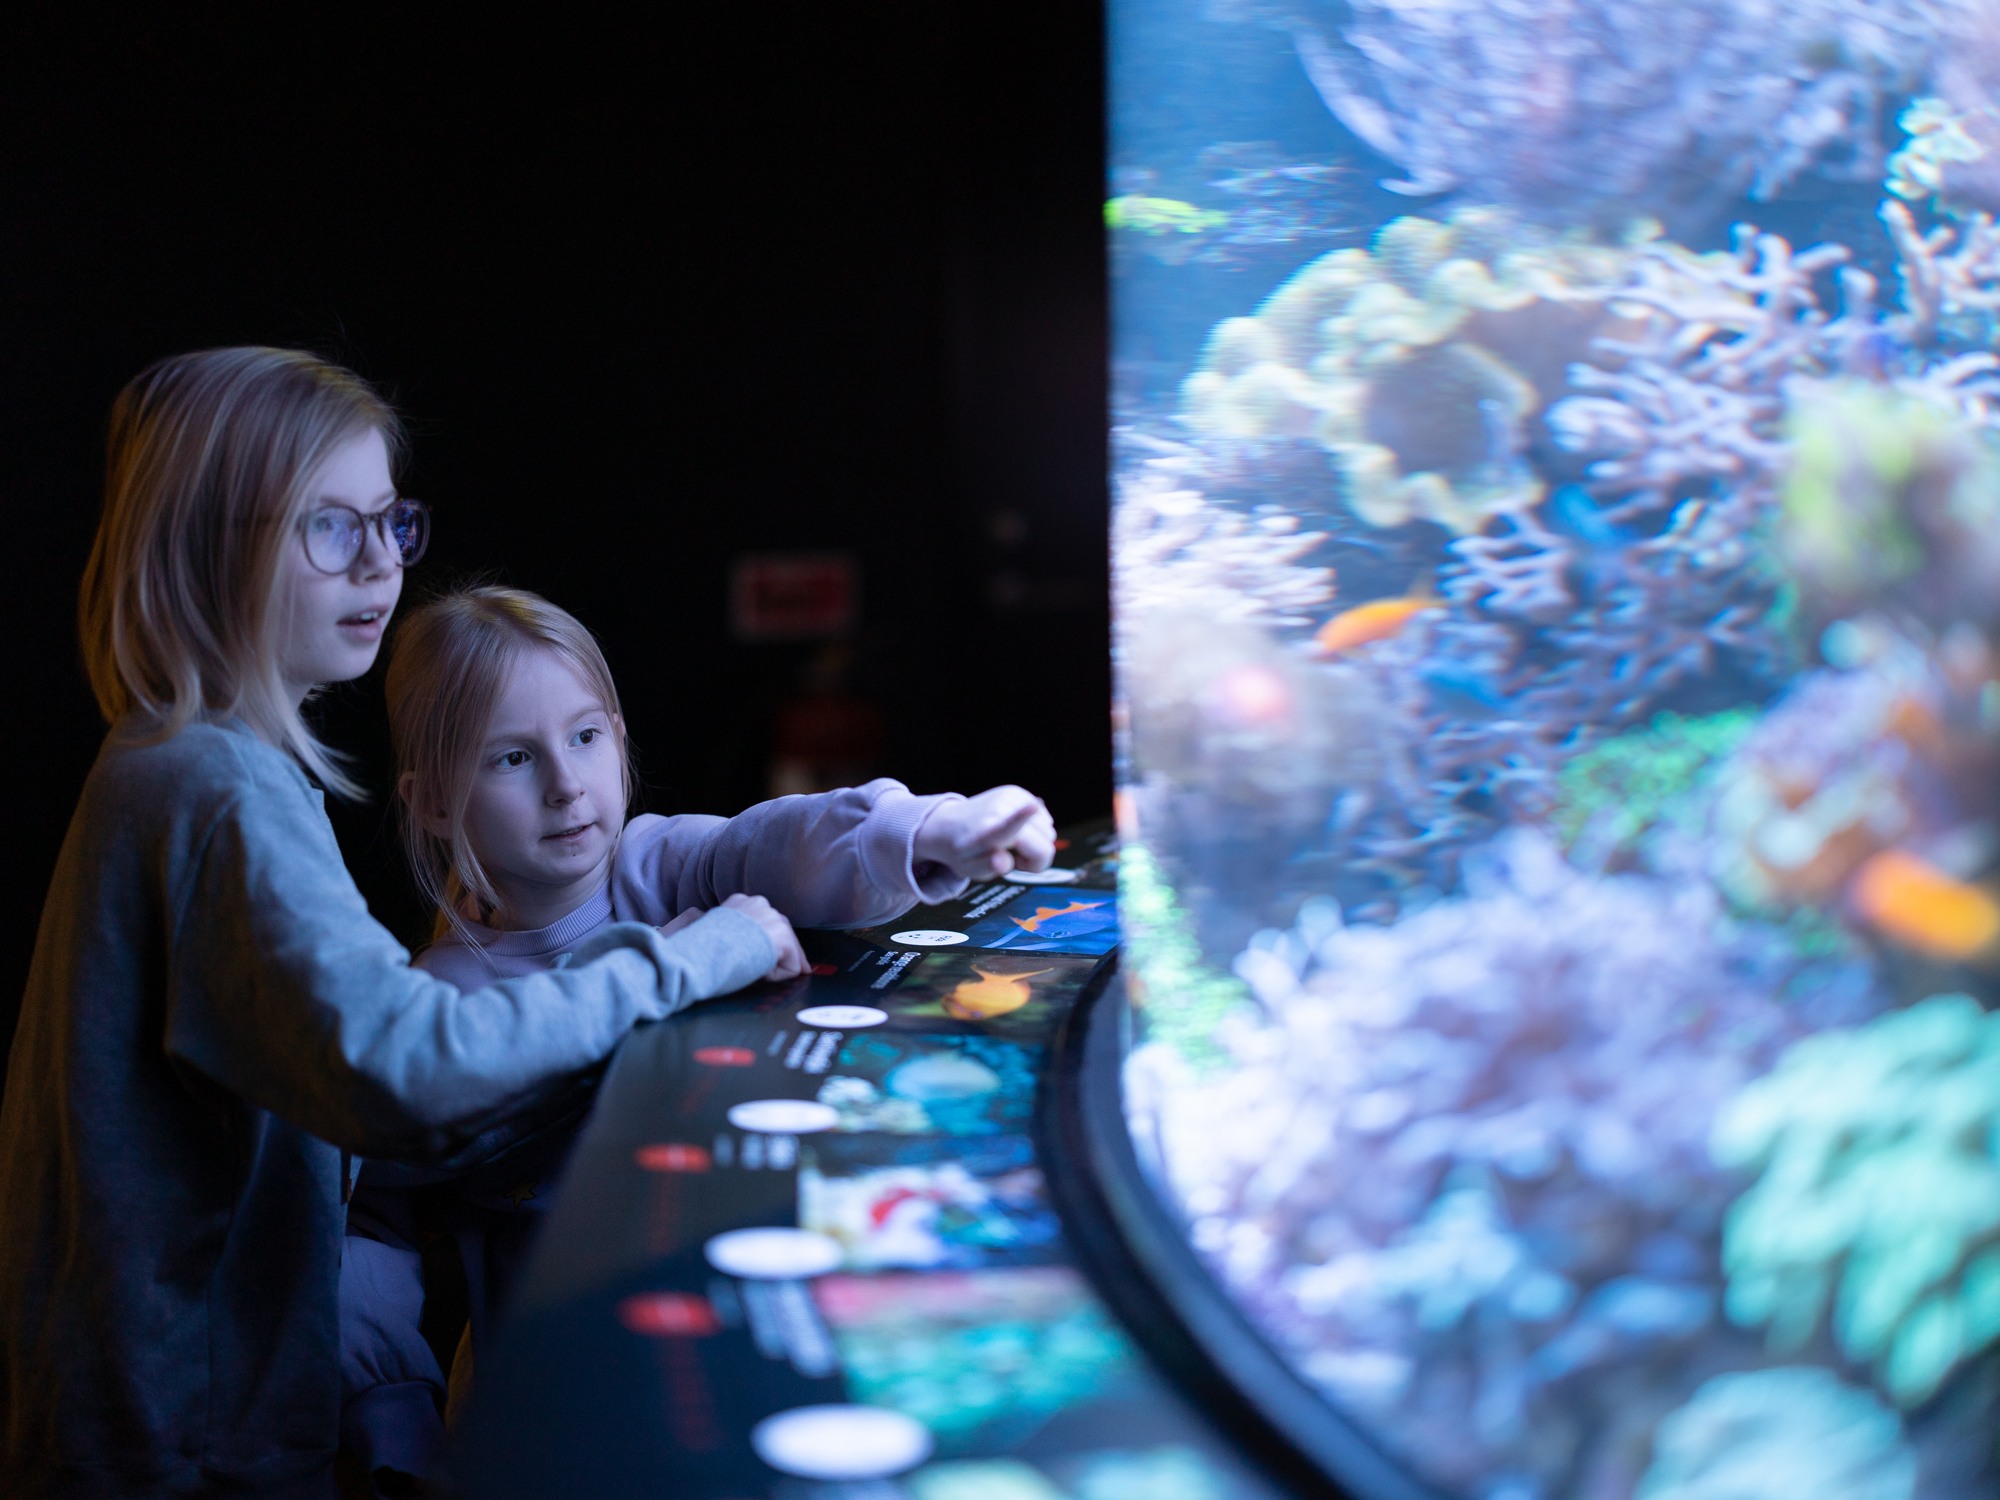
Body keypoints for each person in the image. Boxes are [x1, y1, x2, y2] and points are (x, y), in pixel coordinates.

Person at [0, 348, 802, 1500]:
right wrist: (691, 956)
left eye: (390, 523)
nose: (380, 564)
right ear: (205, 543)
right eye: (332, 527)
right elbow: (400, 1070)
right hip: (177, 1450)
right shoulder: (212, 785)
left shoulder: (167, 763)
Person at [339, 585, 1055, 1488]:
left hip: (757, 1327)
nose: (566, 784)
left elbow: (775, 843)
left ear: (621, 737)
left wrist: (927, 830)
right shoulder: (436, 1010)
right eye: (513, 757)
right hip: (564, 1401)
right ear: (433, 804)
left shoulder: (663, 865)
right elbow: (367, 1222)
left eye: (585, 737)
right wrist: (391, 1415)